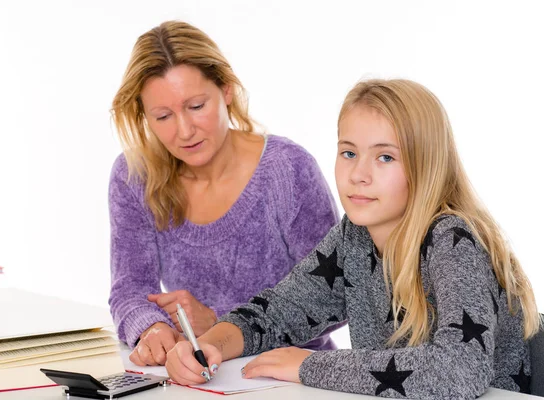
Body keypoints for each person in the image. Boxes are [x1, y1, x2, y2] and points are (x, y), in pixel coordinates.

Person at [165, 79, 540, 398]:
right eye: (349, 152)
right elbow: (279, 312)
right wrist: (210, 345)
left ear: (427, 166)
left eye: (385, 158)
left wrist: (313, 366)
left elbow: (460, 371)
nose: (358, 174)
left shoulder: (453, 240)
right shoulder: (354, 237)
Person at [108, 20, 340, 367]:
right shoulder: (134, 177)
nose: (184, 131)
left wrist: (220, 323)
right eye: (163, 116)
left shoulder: (288, 171)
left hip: (291, 377)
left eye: (196, 106)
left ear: (227, 91)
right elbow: (130, 290)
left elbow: (336, 299)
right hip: (197, 374)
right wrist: (152, 329)